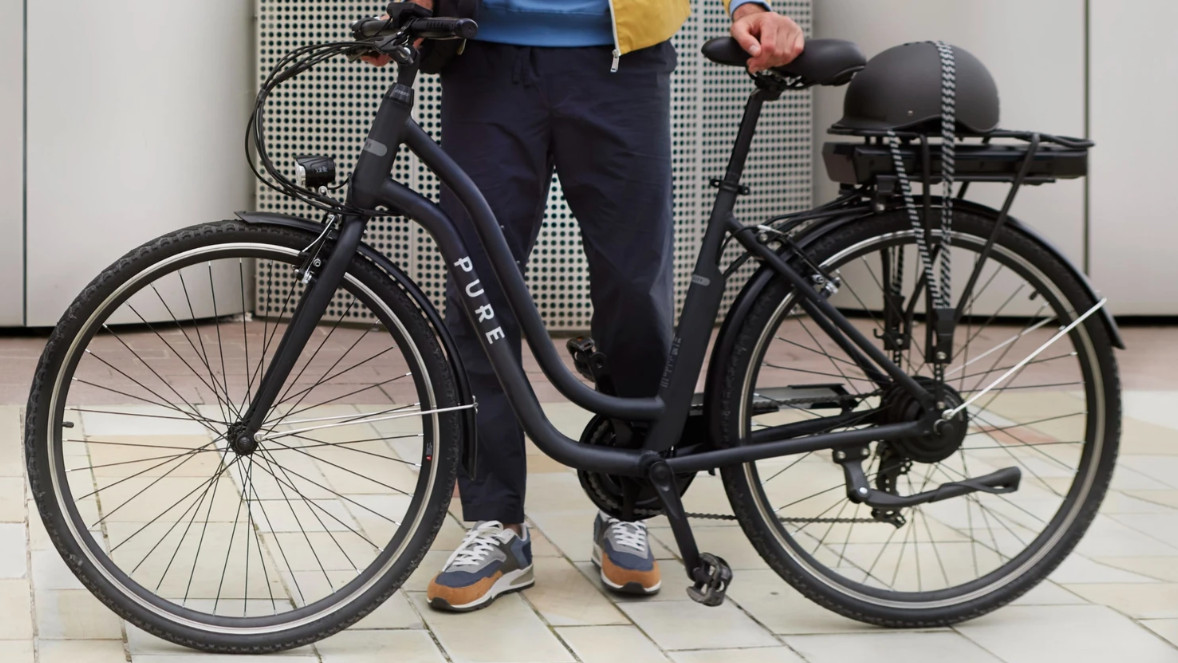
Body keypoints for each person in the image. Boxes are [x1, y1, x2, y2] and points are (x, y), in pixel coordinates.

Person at [369, 0, 803, 612]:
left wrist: (751, 5)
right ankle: (495, 524)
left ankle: (630, 505)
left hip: (619, 64)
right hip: (484, 57)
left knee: (634, 289)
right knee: (477, 292)